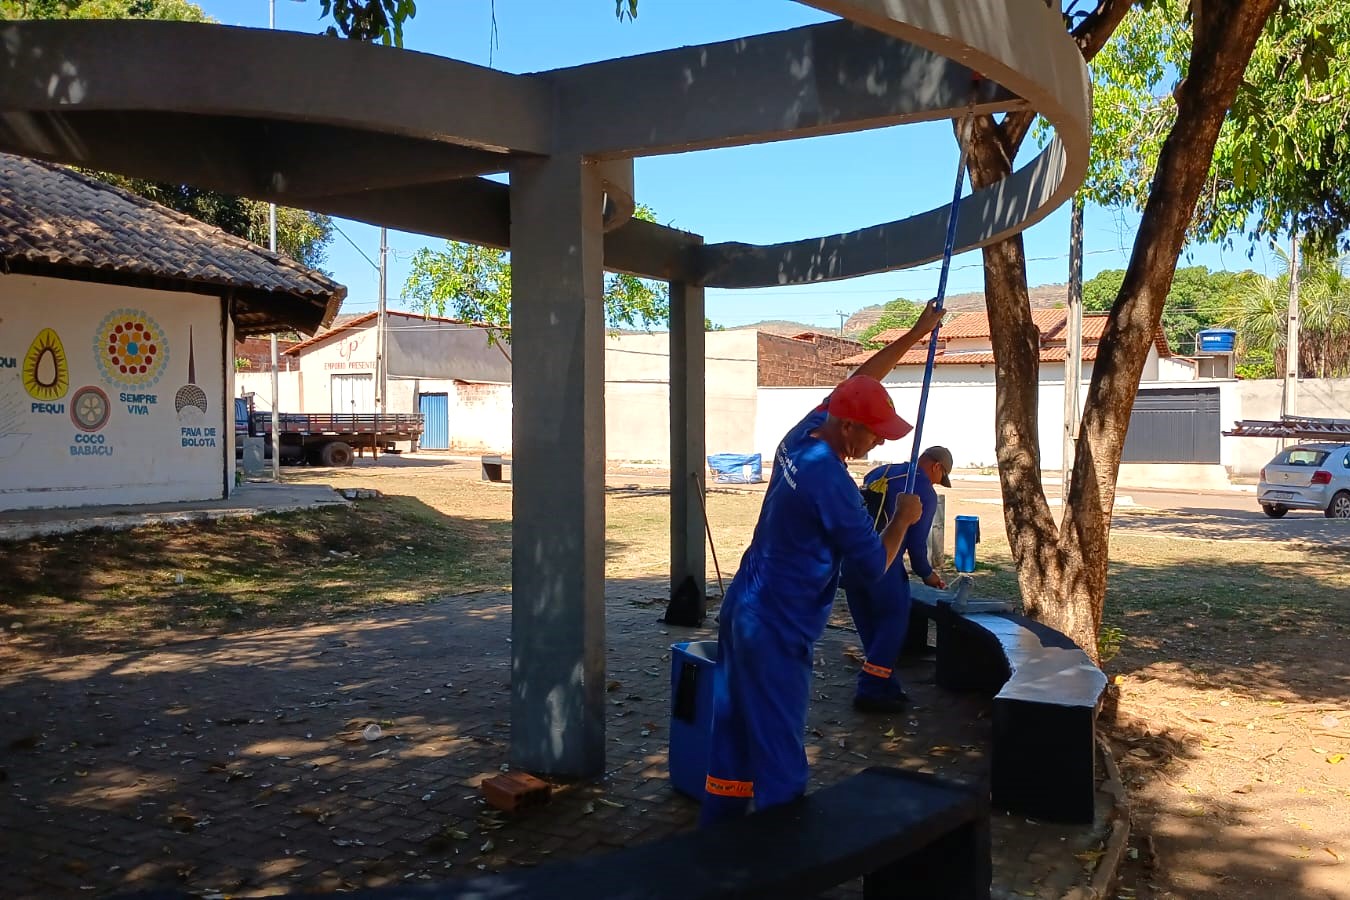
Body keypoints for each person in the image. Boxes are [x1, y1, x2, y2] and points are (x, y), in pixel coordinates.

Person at [700, 301, 944, 826]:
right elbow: (871, 566)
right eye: (875, 432)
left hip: (743, 608)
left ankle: (716, 842)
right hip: (778, 628)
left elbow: (859, 378)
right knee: (780, 751)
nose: (879, 441)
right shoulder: (831, 483)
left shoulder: (802, 437)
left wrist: (916, 335)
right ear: (849, 427)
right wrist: (902, 520)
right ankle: (785, 861)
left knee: (735, 735)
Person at [841, 446, 953, 713]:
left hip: (851, 560)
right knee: (893, 622)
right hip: (883, 562)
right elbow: (915, 545)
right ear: (936, 466)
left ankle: (886, 684)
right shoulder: (922, 490)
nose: (939, 482)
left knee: (870, 626)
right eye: (942, 476)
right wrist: (928, 574)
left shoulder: (881, 472)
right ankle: (869, 689)